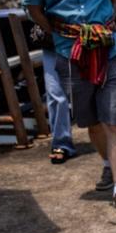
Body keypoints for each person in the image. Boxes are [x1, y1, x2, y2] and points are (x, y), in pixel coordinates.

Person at [21, 0, 116, 216]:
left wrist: (101, 29)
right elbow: (33, 7)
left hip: (110, 49)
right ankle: (108, 163)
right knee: (92, 121)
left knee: (115, 124)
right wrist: (61, 34)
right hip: (70, 52)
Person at [39, 32, 75, 164]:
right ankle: (61, 144)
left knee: (95, 90)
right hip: (52, 42)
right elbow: (32, 12)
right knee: (56, 94)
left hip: (84, 40)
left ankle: (106, 137)